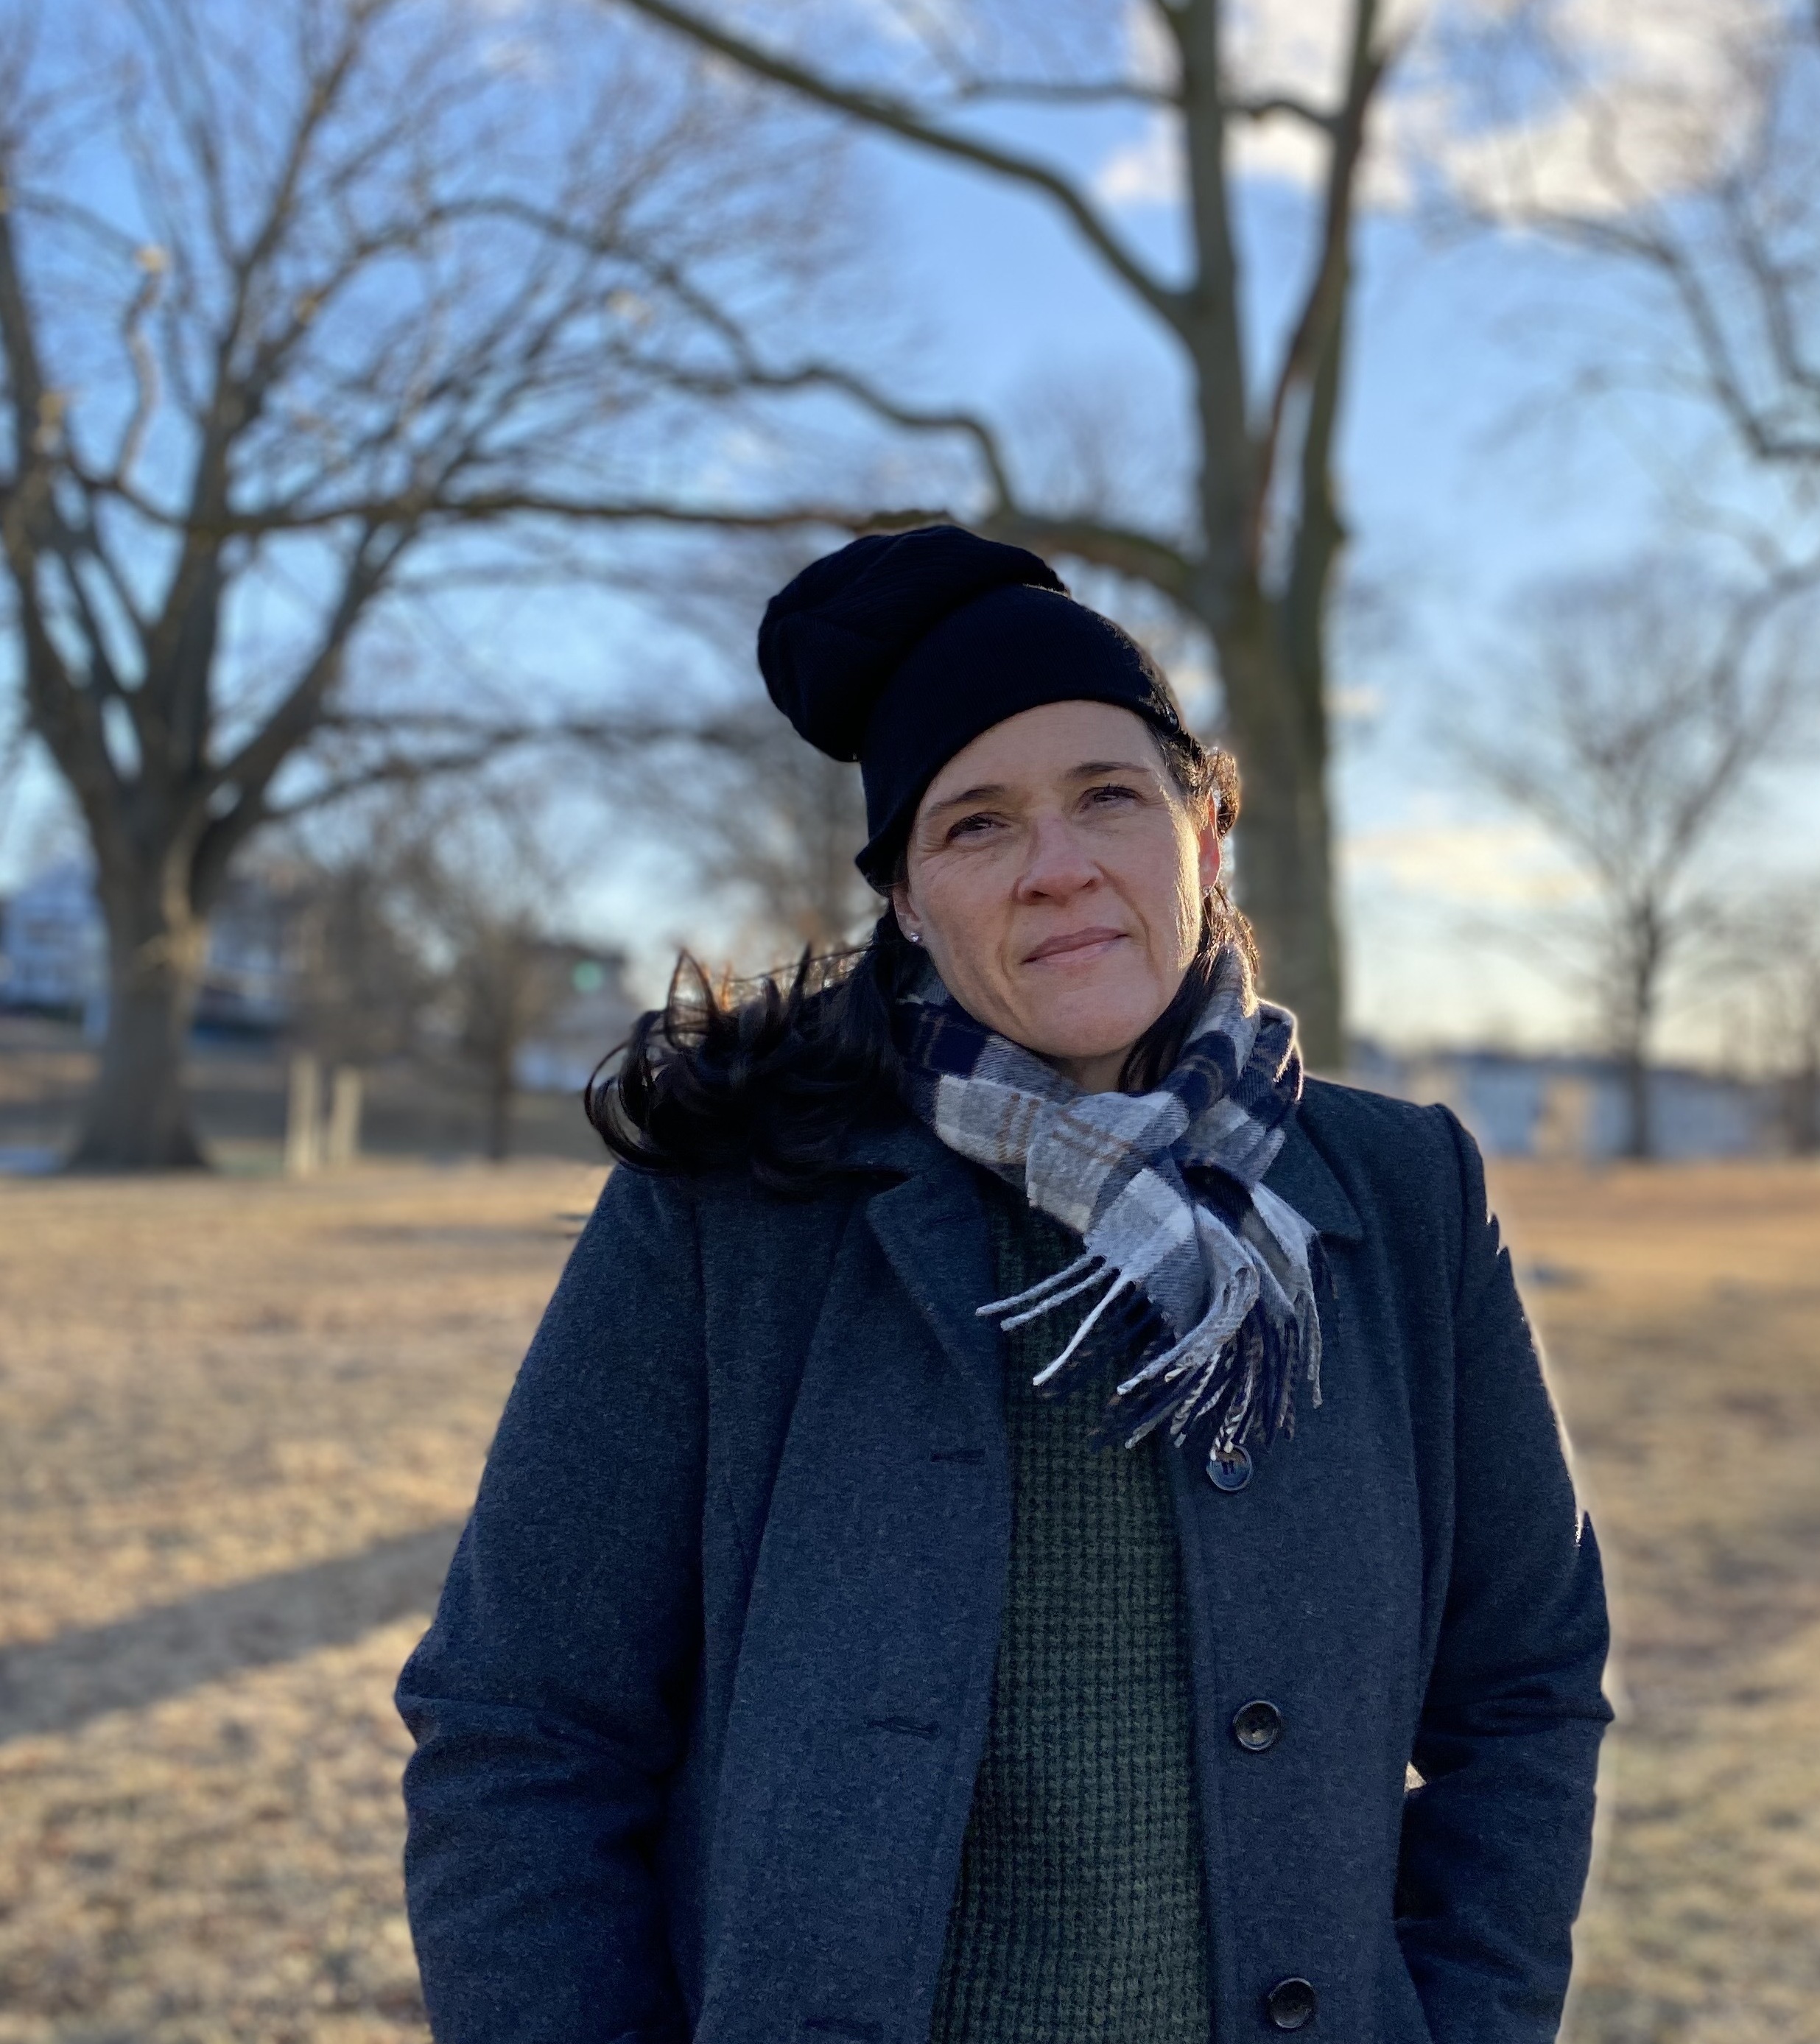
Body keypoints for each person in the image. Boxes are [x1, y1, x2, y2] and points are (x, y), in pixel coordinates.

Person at [395, 525, 1612, 2044]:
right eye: (974, 824)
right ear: (905, 900)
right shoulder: (728, 1212)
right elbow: (520, 1727)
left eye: (1108, 793)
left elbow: (1526, 1687)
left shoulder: (1406, 1193)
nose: (1056, 866)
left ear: (1206, 831)